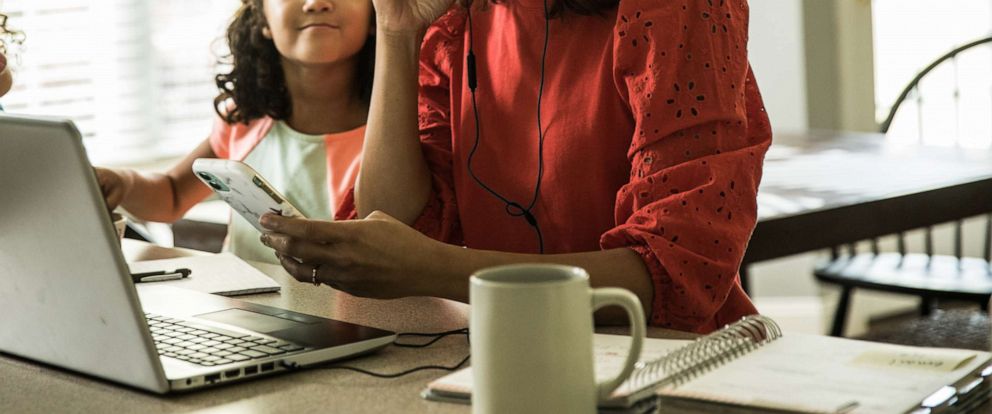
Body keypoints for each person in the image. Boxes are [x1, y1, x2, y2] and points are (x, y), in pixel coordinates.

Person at [260, 0, 772, 333]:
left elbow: (675, 274)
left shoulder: (676, 8)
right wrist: (396, 31)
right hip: (506, 355)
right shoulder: (457, 21)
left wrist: (432, 268)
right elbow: (395, 221)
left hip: (664, 367)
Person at [96, 0, 375, 264]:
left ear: (377, 15)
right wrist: (123, 181)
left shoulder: (395, 137)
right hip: (235, 309)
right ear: (262, 16)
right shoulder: (245, 117)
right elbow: (172, 195)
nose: (316, 2)